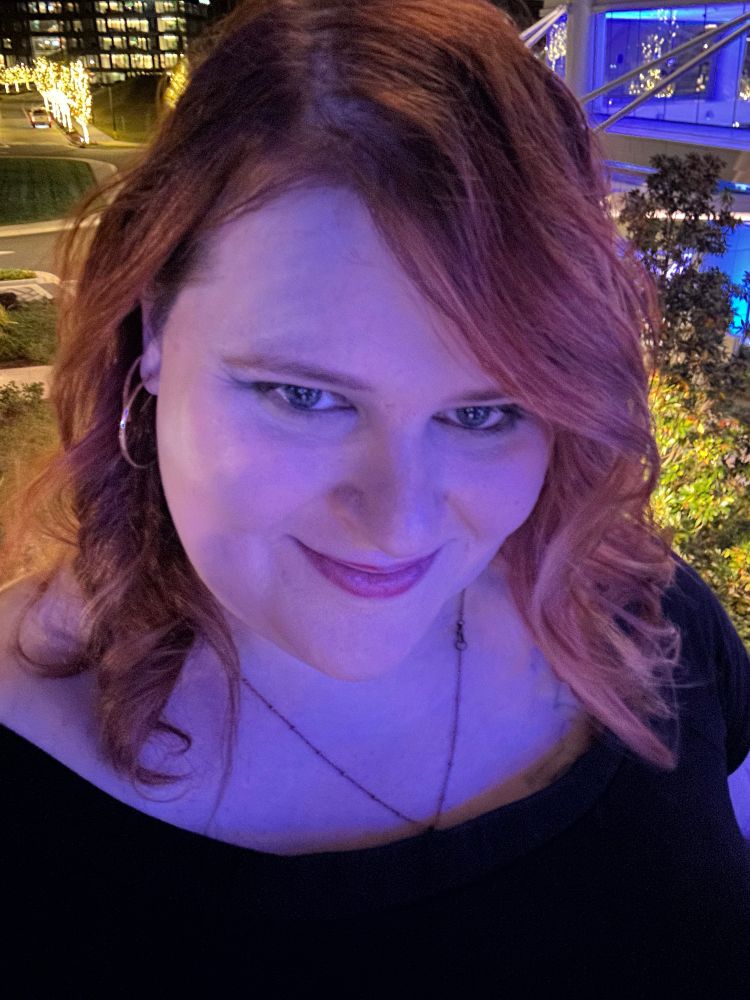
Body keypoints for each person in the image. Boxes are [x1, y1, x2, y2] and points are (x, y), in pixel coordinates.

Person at [0, 0, 748, 994]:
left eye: (485, 412)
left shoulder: (654, 627)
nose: (400, 521)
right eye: (305, 396)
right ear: (155, 333)